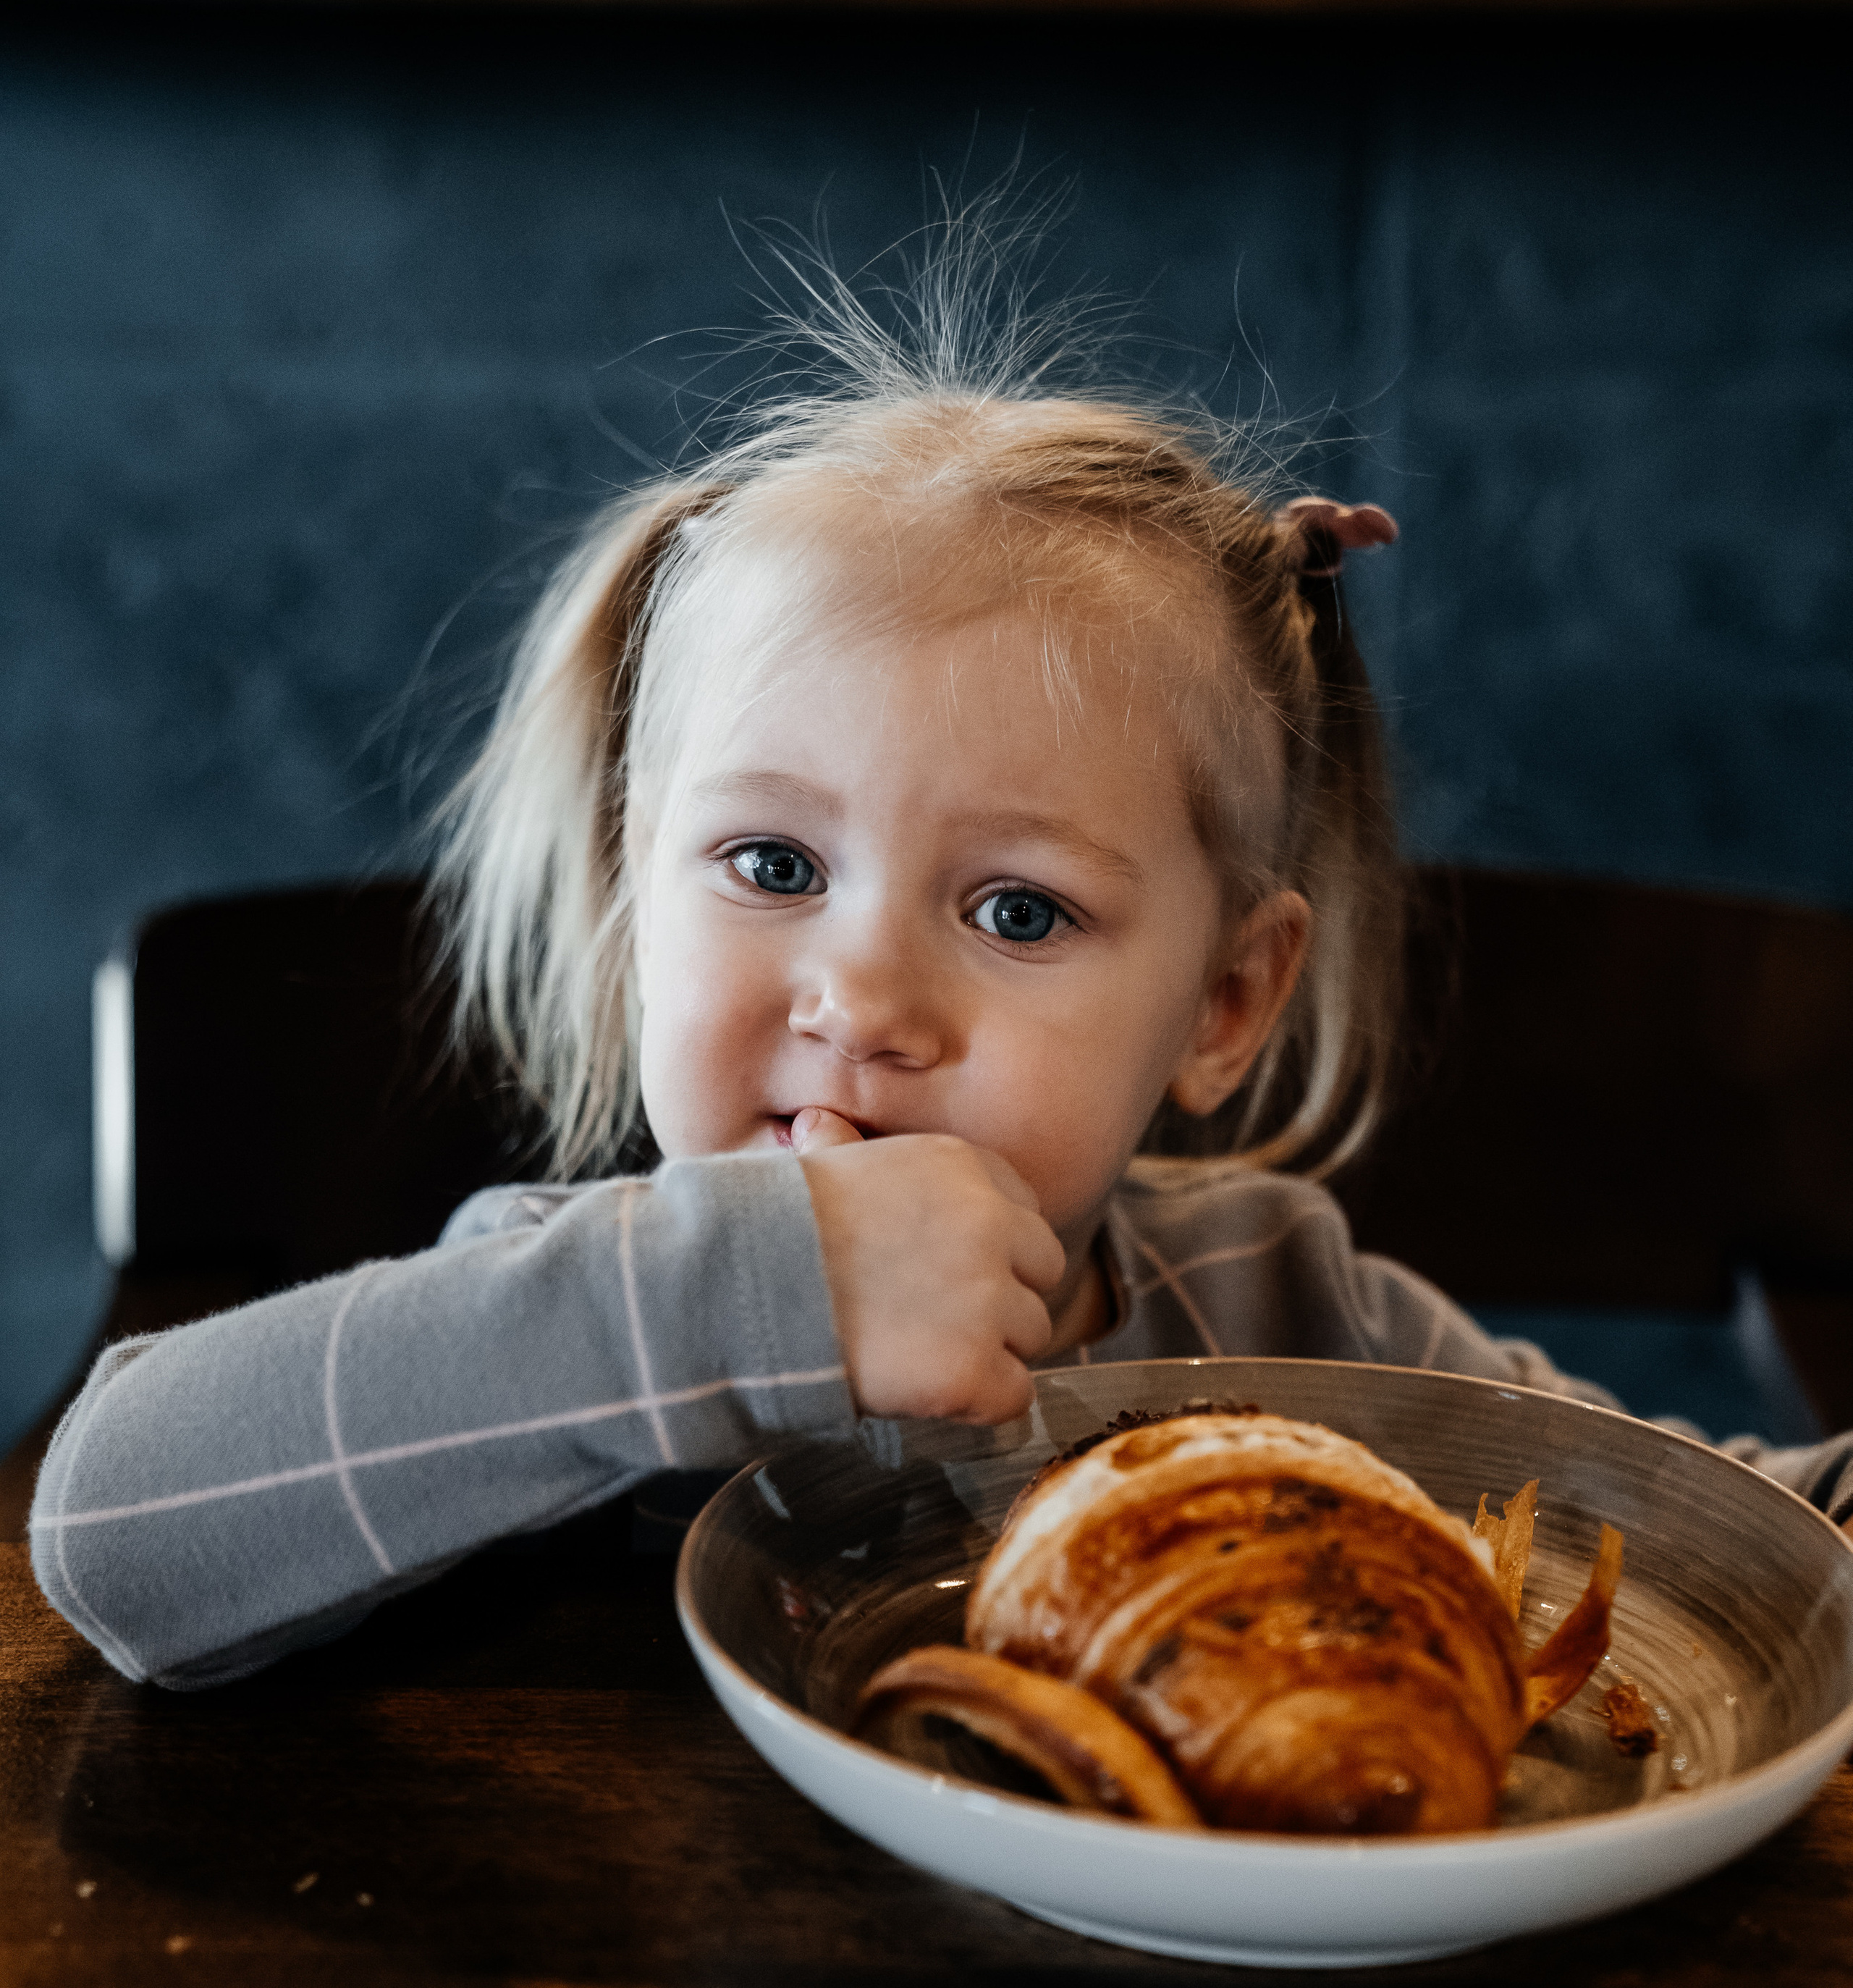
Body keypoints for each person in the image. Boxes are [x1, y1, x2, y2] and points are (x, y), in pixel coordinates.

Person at [28, 358, 1853, 1688]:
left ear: (1223, 1004)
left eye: (1013, 911)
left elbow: (1739, 1554)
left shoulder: (1290, 1309)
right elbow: (109, 1539)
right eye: (765, 862)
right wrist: (711, 1301)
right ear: (627, 897)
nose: (864, 1002)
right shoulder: (564, 1310)